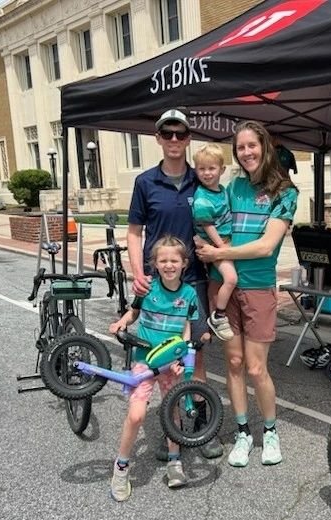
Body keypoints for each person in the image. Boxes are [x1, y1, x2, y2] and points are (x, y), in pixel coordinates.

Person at [195, 120, 299, 467]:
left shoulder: (285, 193)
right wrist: (203, 242)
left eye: (251, 145)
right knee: (234, 363)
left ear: (264, 146)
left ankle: (270, 431)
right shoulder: (233, 186)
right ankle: (242, 432)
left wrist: (219, 253)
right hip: (224, 286)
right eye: (240, 148)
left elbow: (267, 246)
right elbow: (210, 218)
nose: (246, 152)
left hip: (256, 287)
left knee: (257, 368)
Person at [126, 108, 223, 460]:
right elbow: (135, 233)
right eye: (167, 134)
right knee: (160, 358)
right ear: (158, 138)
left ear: (188, 138)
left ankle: (200, 427)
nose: (174, 140)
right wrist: (137, 273)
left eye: (180, 134)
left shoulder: (203, 181)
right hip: (156, 284)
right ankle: (172, 429)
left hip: (193, 282)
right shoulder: (145, 182)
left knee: (194, 356)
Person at [108, 235, 198, 501]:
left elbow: (186, 328)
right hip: (145, 360)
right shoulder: (147, 288)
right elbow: (133, 312)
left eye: (174, 260)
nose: (169, 265)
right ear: (155, 264)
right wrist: (121, 323)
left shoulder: (190, 294)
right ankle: (121, 467)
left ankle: (174, 461)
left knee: (173, 412)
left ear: (184, 264)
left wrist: (183, 357)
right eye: (163, 260)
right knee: (136, 415)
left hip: (171, 362)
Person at [191, 144, 237, 341]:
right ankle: (218, 315)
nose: (207, 173)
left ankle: (214, 310)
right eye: (202, 169)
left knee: (216, 282)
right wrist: (222, 249)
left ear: (222, 169)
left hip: (223, 242)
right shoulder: (201, 199)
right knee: (231, 279)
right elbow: (209, 226)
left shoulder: (223, 190)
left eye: (211, 168)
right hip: (214, 244)